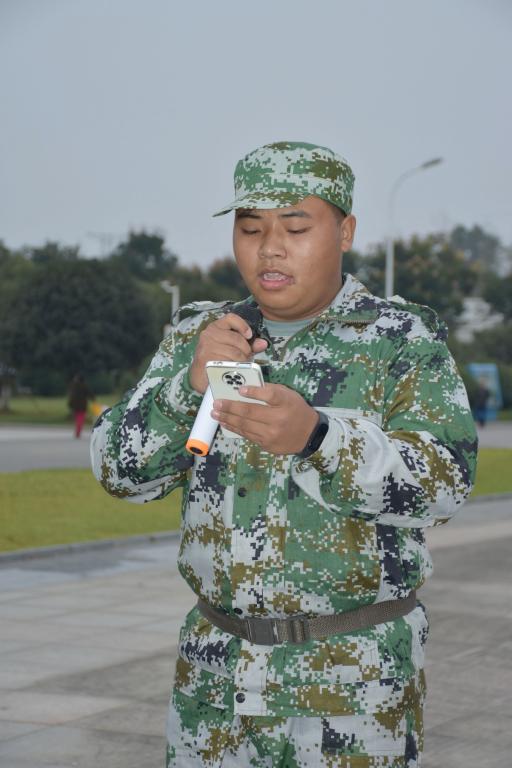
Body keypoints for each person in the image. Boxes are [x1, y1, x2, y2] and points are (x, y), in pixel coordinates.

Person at [90, 141, 478, 767]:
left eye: (295, 228)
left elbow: (446, 483)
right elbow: (117, 472)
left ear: (344, 231)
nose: (270, 248)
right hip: (213, 686)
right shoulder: (200, 335)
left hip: (351, 689)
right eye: (251, 229)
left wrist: (318, 438)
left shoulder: (399, 340)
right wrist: (186, 387)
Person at [68, 373, 93, 438]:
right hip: (82, 405)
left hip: (75, 405)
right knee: (80, 419)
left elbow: (71, 396)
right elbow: (89, 393)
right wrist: (93, 399)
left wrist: (70, 404)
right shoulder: (84, 386)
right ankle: (78, 432)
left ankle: (77, 432)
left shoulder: (73, 386)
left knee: (77, 419)